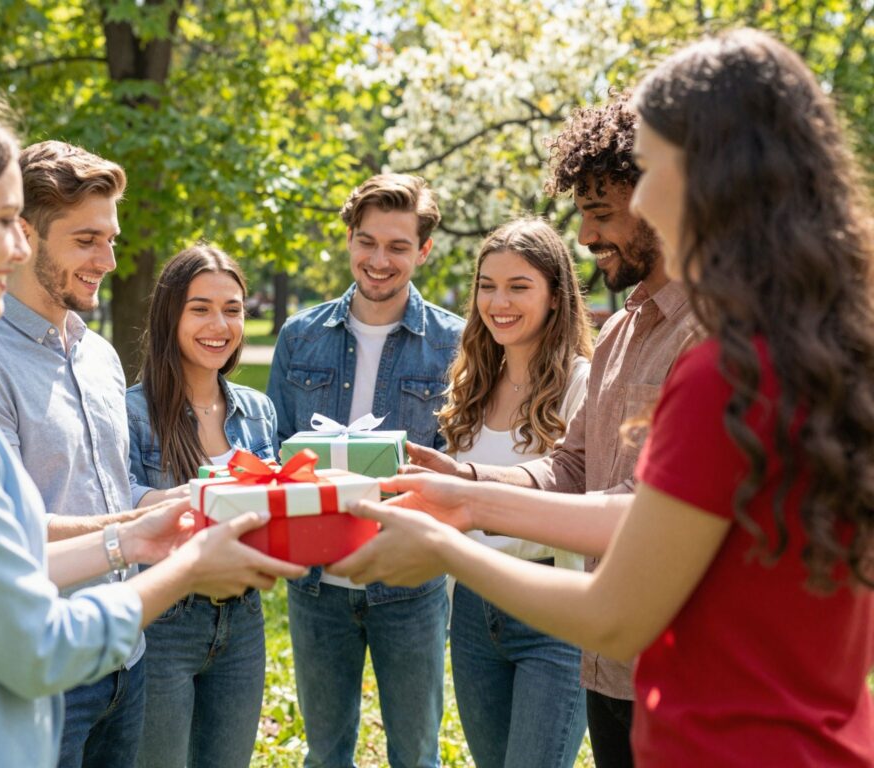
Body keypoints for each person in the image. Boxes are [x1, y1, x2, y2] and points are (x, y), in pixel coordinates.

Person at [330, 28, 874, 767]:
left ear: (711, 176)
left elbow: (616, 618)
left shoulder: (728, 367)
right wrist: (471, 500)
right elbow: (654, 511)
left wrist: (444, 548)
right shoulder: (817, 343)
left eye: (648, 172)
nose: (637, 200)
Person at [0, 88, 305, 768]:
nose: (16, 243)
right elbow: (37, 640)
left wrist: (134, 534)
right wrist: (184, 568)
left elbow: (2, 562)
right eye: (5, 219)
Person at [404, 91, 699, 767]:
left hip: (680, 671)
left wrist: (468, 513)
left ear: (664, 197)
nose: (588, 237)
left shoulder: (711, 337)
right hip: (607, 663)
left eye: (601, 214)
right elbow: (572, 468)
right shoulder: (623, 331)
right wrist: (469, 476)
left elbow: (650, 513)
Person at [0, 139, 159, 767]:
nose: (108, 258)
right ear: (23, 235)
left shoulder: (100, 355)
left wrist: (175, 502)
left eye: (111, 238)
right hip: (44, 672)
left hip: (125, 655)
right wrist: (138, 530)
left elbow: (111, 486)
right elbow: (6, 531)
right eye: (86, 241)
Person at [266, 173, 464, 768]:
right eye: (367, 242)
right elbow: (277, 451)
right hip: (317, 584)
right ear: (349, 239)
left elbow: (458, 466)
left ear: (423, 251)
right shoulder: (299, 336)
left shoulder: (456, 343)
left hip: (411, 584)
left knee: (417, 754)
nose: (380, 261)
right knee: (324, 754)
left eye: (398, 247)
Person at [439, 217, 593, 768]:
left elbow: (581, 503)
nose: (498, 301)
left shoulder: (583, 384)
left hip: (553, 609)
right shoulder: (470, 384)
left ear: (555, 296)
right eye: (487, 285)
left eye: (519, 286)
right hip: (474, 609)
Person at [126, 244, 278, 768]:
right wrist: (195, 497)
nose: (220, 324)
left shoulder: (257, 410)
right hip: (165, 620)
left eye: (232, 309)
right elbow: (113, 500)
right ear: (170, 315)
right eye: (200, 308)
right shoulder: (132, 412)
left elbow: (272, 510)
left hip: (244, 621)